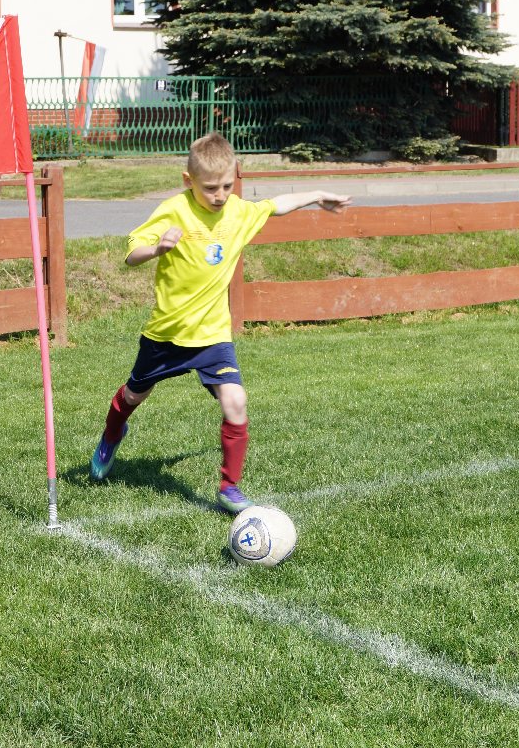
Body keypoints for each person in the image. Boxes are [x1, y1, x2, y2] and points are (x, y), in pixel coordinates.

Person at [90, 132, 351, 513]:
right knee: (133, 396)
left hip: (213, 336)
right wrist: (157, 248)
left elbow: (275, 205)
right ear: (188, 180)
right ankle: (112, 434)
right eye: (210, 188)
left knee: (236, 401)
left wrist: (317, 195)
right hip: (167, 335)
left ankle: (229, 487)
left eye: (227, 185)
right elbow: (131, 254)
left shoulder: (238, 212)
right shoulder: (174, 210)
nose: (220, 195)